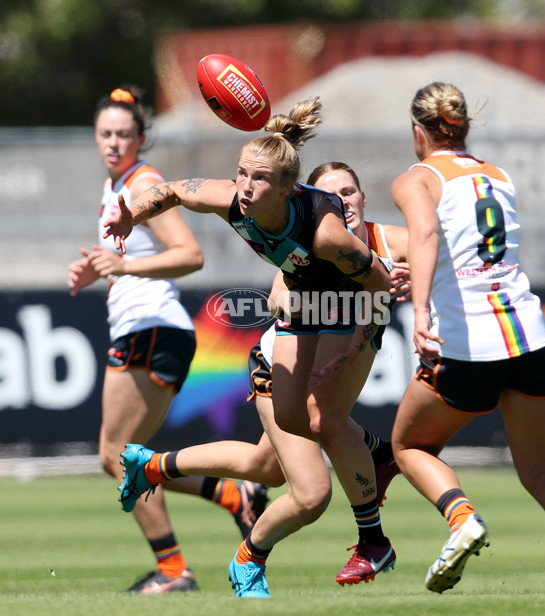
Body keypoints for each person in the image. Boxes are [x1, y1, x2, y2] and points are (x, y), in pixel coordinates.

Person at [103, 99, 400, 598]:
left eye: (258, 179)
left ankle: (370, 538)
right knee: (290, 424)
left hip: (355, 311)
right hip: (307, 310)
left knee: (320, 437)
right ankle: (376, 452)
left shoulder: (325, 233)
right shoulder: (232, 200)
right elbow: (174, 190)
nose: (244, 186)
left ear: (287, 188)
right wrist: (132, 212)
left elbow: (378, 285)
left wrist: (358, 346)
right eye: (240, 173)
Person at [388, 81, 545, 595]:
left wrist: (418, 311)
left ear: (418, 131)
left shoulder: (415, 178)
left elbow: (424, 235)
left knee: (408, 444)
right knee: (543, 471)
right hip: (529, 335)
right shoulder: (496, 175)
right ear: (462, 127)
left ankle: (461, 519)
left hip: (469, 341)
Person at [67, 87, 268, 594]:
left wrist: (125, 265)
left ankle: (174, 571)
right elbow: (130, 256)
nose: (113, 142)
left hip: (152, 328)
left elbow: (189, 253)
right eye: (105, 134)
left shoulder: (144, 183)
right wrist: (102, 268)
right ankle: (232, 495)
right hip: (150, 329)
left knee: (117, 456)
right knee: (127, 454)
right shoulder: (117, 184)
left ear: (140, 137)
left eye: (124, 134)